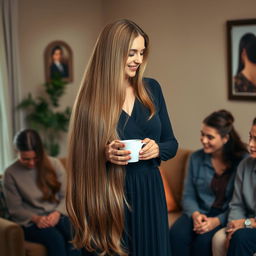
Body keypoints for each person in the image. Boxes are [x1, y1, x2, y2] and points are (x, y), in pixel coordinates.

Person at [66, 19, 178, 256]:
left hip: (150, 191)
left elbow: (172, 143)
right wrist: (104, 154)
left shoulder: (152, 89)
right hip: (111, 196)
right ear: (112, 54)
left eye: (141, 52)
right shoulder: (90, 99)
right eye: (131, 53)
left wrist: (157, 149)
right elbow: (79, 161)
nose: (138, 59)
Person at [169, 110, 248, 256]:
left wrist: (216, 221)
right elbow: (188, 195)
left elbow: (238, 203)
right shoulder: (195, 158)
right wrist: (195, 215)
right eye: (202, 134)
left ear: (225, 138)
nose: (203, 140)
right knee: (176, 235)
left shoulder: (242, 162)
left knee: (203, 243)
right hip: (199, 210)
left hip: (224, 214)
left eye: (209, 137)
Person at [3, 129, 81, 256]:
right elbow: (15, 209)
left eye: (35, 158)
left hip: (58, 215)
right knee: (55, 239)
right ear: (16, 152)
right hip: (30, 222)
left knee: (75, 234)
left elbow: (67, 196)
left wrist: (57, 213)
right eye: (25, 159)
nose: (31, 163)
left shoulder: (54, 164)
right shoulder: (10, 173)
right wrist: (37, 218)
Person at [212, 117, 256, 256]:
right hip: (247, 224)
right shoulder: (245, 165)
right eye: (250, 137)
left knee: (241, 238)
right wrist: (233, 228)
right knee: (226, 237)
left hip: (248, 226)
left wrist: (246, 223)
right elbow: (236, 205)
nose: (251, 144)